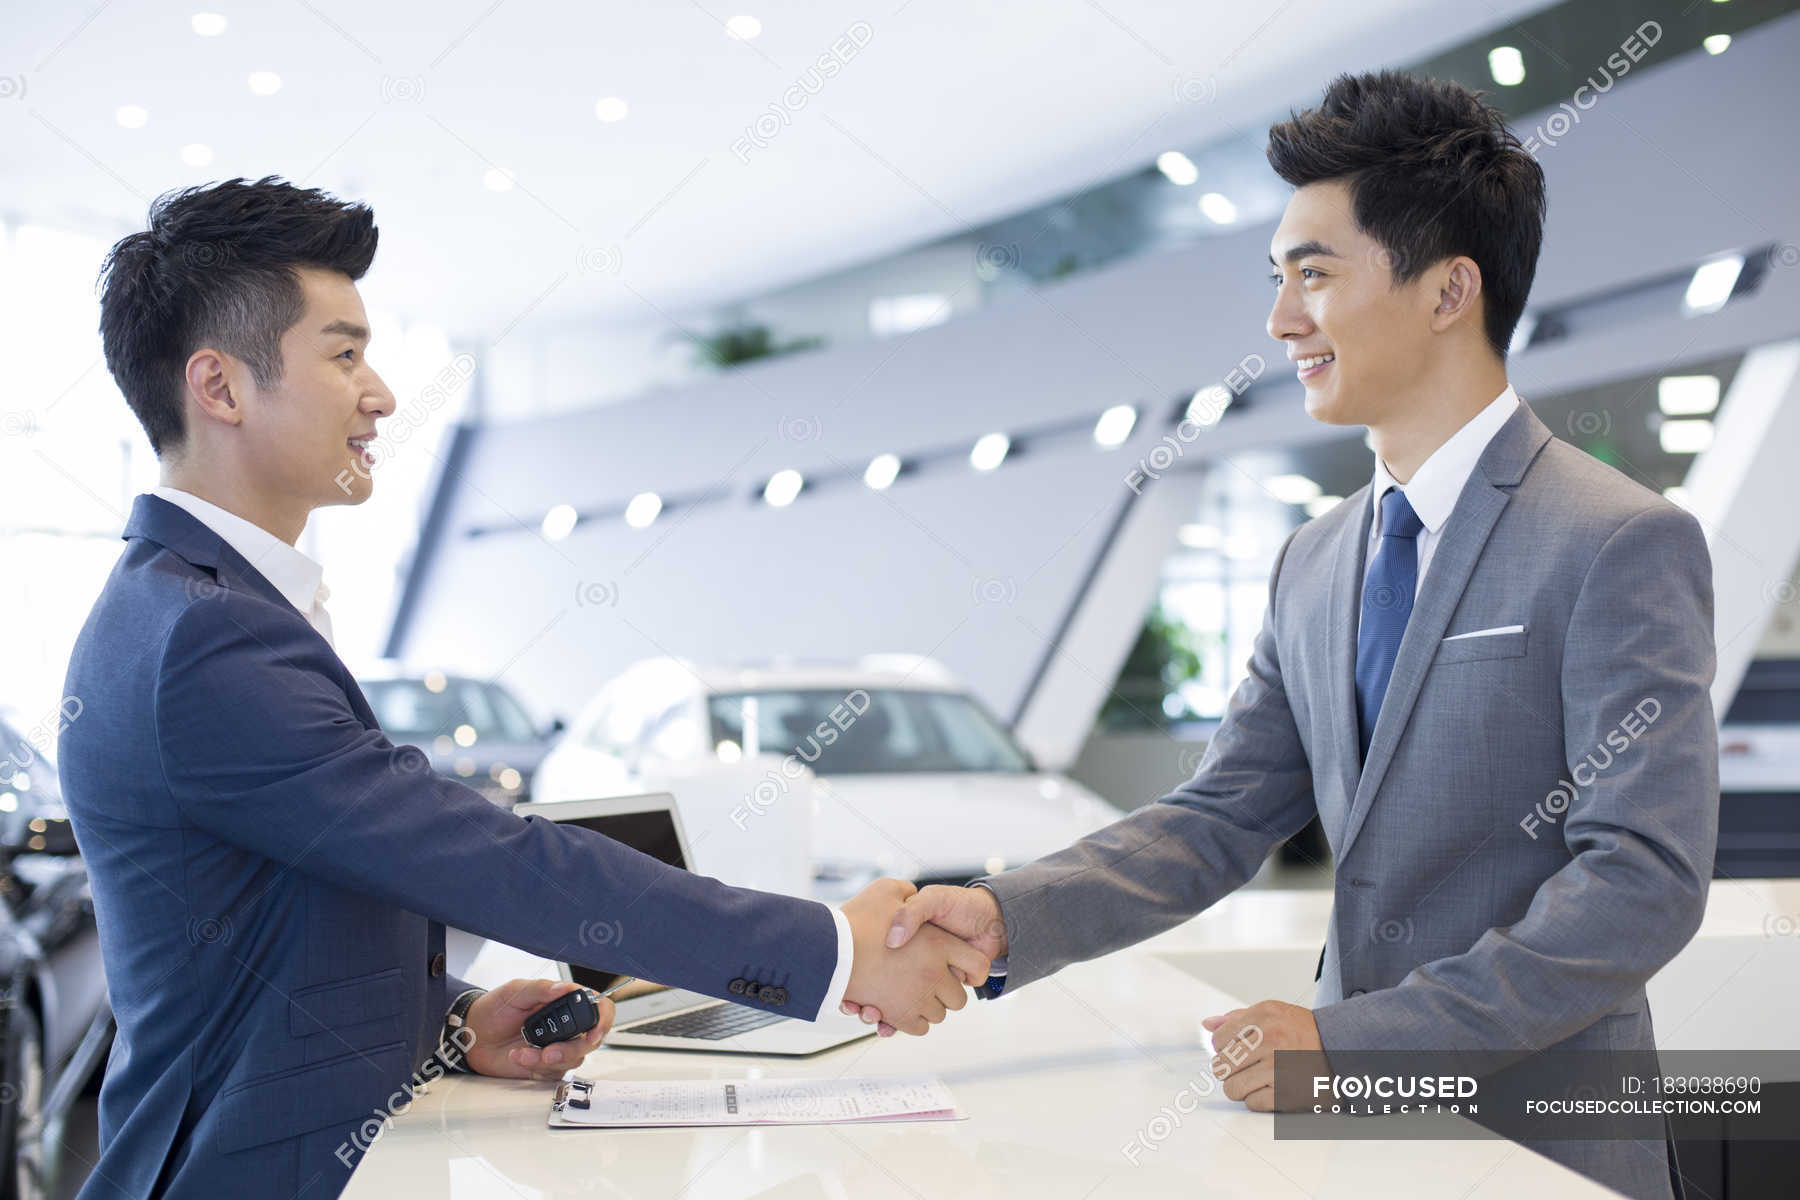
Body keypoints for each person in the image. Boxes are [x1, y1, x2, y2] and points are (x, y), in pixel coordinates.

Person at [855, 70, 1717, 1200]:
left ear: (1451, 290)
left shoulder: (1617, 539)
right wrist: (1009, 911)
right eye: (1277, 278)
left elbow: (1642, 881)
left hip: (1547, 1144)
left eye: (1314, 274)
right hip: (1346, 1141)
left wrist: (1364, 1045)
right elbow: (1220, 816)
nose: (1279, 321)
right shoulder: (1315, 558)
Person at [61, 176, 988, 1199]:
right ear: (220, 387)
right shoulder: (205, 638)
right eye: (343, 353)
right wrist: (832, 949)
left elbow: (282, 923)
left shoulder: (195, 604)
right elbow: (485, 859)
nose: (378, 394)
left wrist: (452, 1021)